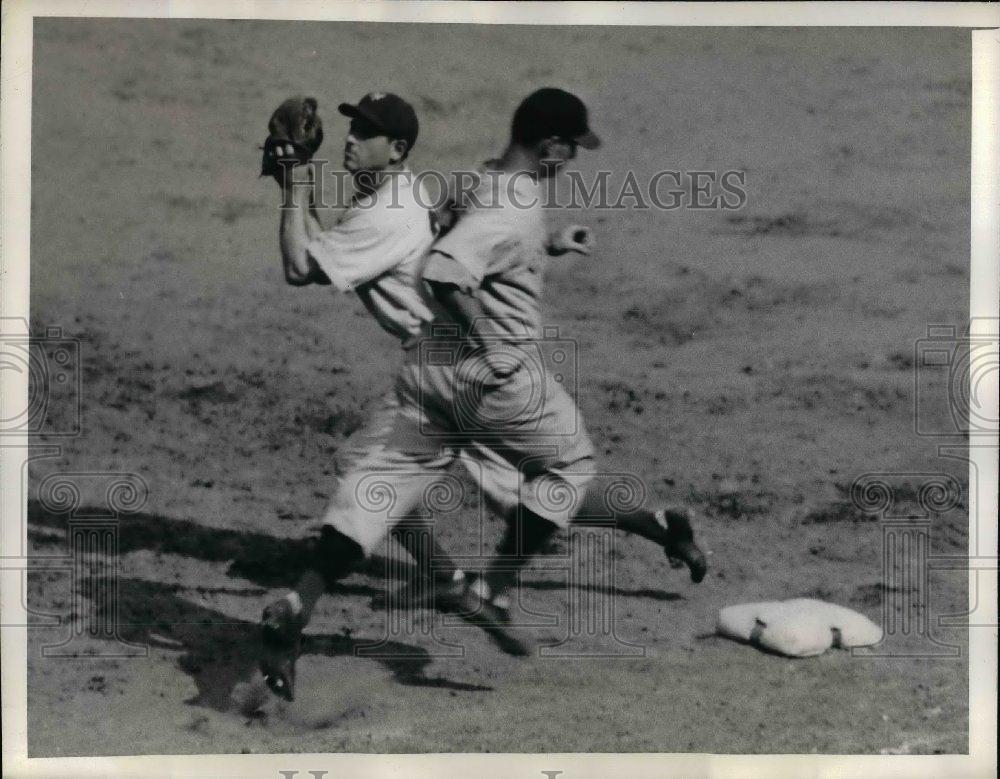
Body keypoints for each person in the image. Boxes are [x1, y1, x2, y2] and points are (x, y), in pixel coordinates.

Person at [420, 87, 708, 620]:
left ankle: (656, 526)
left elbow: (476, 232)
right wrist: (490, 342)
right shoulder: (514, 203)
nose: (572, 159)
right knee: (566, 471)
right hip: (493, 374)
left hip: (440, 369)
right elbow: (445, 271)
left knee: (530, 486)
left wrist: (548, 243)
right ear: (551, 145)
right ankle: (485, 591)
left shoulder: (485, 179)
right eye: (571, 147)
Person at [260, 91, 468, 701]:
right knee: (376, 477)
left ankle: (298, 609)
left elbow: (299, 268)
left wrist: (294, 181)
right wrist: (297, 184)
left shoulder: (388, 214)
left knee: (367, 481)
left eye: (366, 132)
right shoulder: (394, 195)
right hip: (454, 365)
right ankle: (449, 579)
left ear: (397, 149)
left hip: (448, 374)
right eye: (352, 128)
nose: (350, 139)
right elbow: (322, 249)